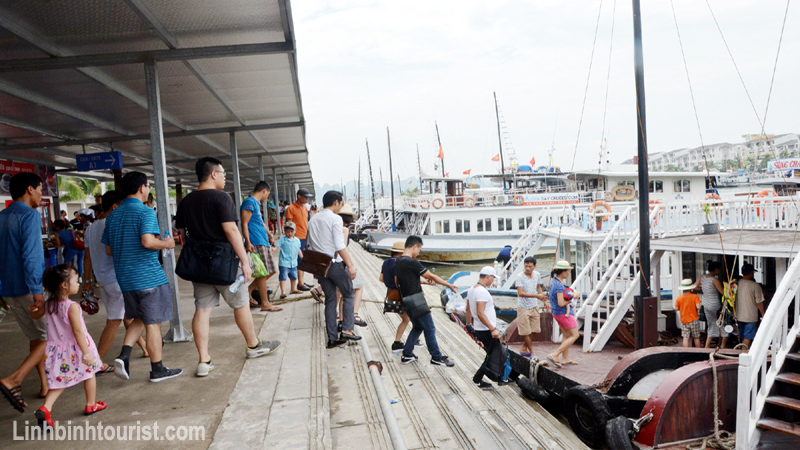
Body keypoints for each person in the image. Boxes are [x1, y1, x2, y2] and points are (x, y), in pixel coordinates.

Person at [175, 158, 280, 378]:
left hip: (199, 265)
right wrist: (244, 260)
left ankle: (204, 360)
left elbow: (183, 236)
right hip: (225, 262)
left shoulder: (186, 202)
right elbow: (232, 231)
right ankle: (253, 346)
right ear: (213, 174)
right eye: (223, 173)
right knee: (240, 304)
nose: (225, 177)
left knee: (202, 309)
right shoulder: (221, 198)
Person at [103, 171, 181, 383]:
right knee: (153, 324)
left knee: (139, 318)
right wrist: (167, 243)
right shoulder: (145, 212)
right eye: (148, 187)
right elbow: (147, 242)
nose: (148, 191)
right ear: (141, 188)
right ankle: (157, 369)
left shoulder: (112, 215)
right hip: (149, 278)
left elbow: (109, 250)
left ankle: (124, 355)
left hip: (125, 279)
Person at [31, 265, 104, 429]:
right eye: (75, 280)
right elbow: (78, 331)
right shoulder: (71, 306)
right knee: (89, 373)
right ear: (64, 285)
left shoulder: (49, 304)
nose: (78, 283)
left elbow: (35, 315)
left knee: (59, 382)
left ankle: (46, 408)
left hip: (56, 351)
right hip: (76, 349)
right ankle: (91, 404)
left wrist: (33, 310)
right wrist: (86, 353)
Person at [82, 190, 148, 372]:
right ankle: (97, 361)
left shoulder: (90, 228)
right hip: (116, 278)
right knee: (114, 319)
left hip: (102, 279)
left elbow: (86, 257)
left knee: (127, 315)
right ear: (114, 207)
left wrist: (87, 280)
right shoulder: (113, 224)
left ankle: (145, 348)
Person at [0, 172, 49, 412]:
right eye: (40, 189)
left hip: (10, 289)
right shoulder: (29, 216)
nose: (42, 194)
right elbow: (31, 256)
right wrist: (37, 289)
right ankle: (14, 380)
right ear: (29, 189)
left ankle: (45, 384)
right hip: (30, 288)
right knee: (50, 335)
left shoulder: (2, 216)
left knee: (35, 336)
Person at [306, 190, 361, 348]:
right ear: (336, 202)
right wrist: (350, 265)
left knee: (330, 300)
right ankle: (347, 330)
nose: (341, 206)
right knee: (349, 293)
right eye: (341, 203)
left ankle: (332, 338)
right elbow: (339, 245)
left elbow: (309, 245)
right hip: (334, 264)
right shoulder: (335, 219)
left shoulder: (313, 220)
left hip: (319, 265)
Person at [395, 235, 459, 367]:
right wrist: (448, 285)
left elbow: (399, 280)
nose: (419, 253)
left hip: (406, 299)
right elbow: (431, 275)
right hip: (416, 300)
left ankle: (407, 354)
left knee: (418, 327)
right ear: (414, 246)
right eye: (419, 250)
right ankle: (436, 357)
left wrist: (422, 282)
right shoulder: (412, 262)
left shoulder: (399, 261)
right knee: (430, 327)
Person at [466, 266, 509, 389]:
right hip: (486, 329)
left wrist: (469, 324)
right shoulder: (482, 292)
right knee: (493, 354)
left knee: (492, 353)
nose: (493, 281)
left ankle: (498, 377)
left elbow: (468, 308)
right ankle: (479, 379)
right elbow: (480, 313)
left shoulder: (471, 289)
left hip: (480, 328)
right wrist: (492, 329)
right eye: (493, 278)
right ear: (488, 277)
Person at [241, 181, 281, 312]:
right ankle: (265, 303)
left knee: (270, 270)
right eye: (267, 194)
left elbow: (261, 222)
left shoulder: (256, 205)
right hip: (256, 241)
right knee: (262, 273)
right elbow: (244, 223)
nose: (267, 197)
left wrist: (270, 235)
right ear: (264, 191)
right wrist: (248, 242)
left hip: (263, 240)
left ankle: (249, 290)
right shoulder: (249, 202)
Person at [381, 241, 421, 350]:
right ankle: (411, 341)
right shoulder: (400, 263)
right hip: (402, 295)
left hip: (391, 294)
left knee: (407, 319)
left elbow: (381, 278)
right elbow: (401, 280)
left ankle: (398, 342)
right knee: (414, 317)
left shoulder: (386, 263)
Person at [337, 204, 366, 327]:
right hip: (341, 262)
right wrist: (350, 264)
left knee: (342, 292)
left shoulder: (333, 226)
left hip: (332, 263)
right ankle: (354, 314)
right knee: (358, 286)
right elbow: (342, 247)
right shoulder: (344, 229)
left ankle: (341, 320)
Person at [515, 256, 548, 358]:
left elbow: (538, 288)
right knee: (525, 331)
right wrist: (536, 296)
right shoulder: (520, 276)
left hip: (534, 305)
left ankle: (524, 348)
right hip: (523, 307)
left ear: (534, 266)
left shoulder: (537, 275)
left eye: (530, 266)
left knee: (535, 329)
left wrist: (544, 300)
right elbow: (520, 293)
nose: (528, 268)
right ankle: (532, 351)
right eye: (526, 266)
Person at [548, 260, 578, 368]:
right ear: (563, 272)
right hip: (563, 313)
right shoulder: (559, 285)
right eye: (568, 271)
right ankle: (555, 354)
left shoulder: (555, 281)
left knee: (566, 335)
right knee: (575, 335)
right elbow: (561, 303)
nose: (569, 273)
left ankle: (565, 359)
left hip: (556, 313)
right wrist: (573, 298)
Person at [285, 189, 312, 291]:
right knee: (300, 261)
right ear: (299, 196)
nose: (307, 199)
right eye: (305, 197)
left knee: (303, 260)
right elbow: (289, 225)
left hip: (304, 237)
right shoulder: (291, 208)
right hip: (296, 238)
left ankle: (301, 281)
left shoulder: (305, 208)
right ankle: (300, 283)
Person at [698, 261, 728, 348]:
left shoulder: (702, 278)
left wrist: (704, 288)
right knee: (722, 323)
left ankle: (706, 346)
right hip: (715, 305)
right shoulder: (715, 280)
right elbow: (723, 293)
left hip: (706, 305)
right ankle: (722, 346)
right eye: (719, 269)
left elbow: (695, 286)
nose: (720, 271)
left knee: (711, 324)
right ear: (716, 269)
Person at [736, 263, 765, 349]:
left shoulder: (736, 284)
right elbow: (759, 302)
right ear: (751, 273)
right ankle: (743, 353)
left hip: (738, 314)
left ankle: (741, 352)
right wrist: (763, 314)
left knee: (741, 336)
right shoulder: (755, 286)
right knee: (748, 337)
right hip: (751, 316)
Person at [275, 222, 303, 298]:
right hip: (284, 262)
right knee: (283, 277)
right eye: (287, 232)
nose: (289, 233)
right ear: (284, 232)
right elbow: (277, 246)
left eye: (291, 231)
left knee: (294, 276)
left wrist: (302, 257)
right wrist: (273, 249)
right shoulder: (283, 240)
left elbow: (298, 250)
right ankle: (283, 292)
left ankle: (293, 289)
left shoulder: (297, 240)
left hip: (293, 263)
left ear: (295, 231)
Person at [674, 279, 703, 348]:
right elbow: (698, 307)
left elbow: (676, 308)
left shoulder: (679, 298)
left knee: (685, 337)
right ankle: (698, 352)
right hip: (694, 319)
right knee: (696, 337)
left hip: (684, 319)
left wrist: (683, 308)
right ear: (691, 288)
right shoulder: (695, 296)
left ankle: (685, 352)